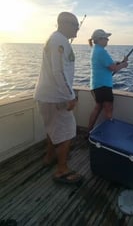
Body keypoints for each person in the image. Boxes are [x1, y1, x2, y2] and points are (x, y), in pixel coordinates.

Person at [34, 11, 83, 184]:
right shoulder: (59, 41)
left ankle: (49, 157)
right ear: (65, 24)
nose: (78, 29)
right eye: (76, 25)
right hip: (56, 98)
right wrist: (70, 96)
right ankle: (61, 170)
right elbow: (59, 71)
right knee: (67, 132)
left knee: (53, 129)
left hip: (48, 96)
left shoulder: (56, 40)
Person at [87, 29, 128, 135]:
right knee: (108, 110)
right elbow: (113, 68)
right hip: (103, 86)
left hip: (96, 85)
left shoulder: (96, 50)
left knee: (97, 108)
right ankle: (108, 134)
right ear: (100, 39)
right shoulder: (101, 51)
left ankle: (89, 132)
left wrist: (119, 63)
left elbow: (109, 64)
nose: (107, 40)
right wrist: (123, 65)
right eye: (106, 38)